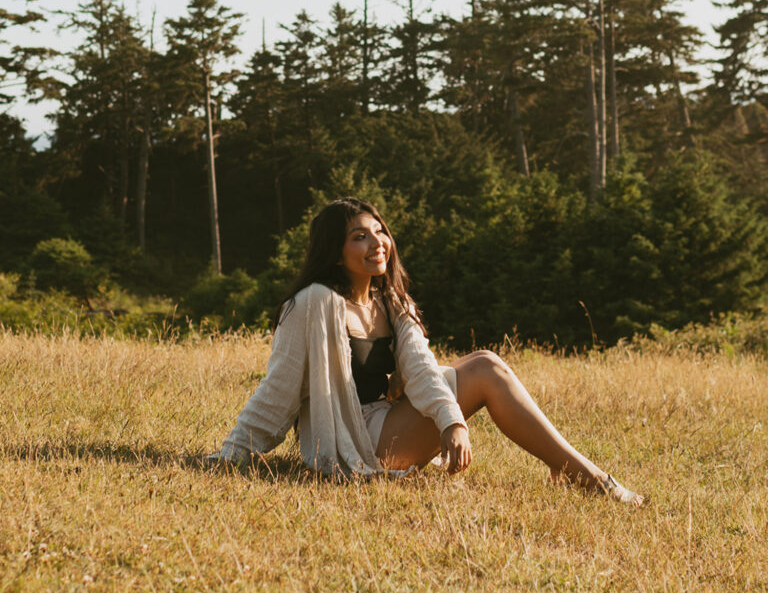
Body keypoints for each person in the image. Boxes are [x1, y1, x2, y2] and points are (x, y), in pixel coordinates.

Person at [214, 197, 644, 505]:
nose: (377, 242)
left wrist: (450, 421)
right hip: (356, 443)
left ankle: (572, 471)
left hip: (384, 424)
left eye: (379, 231)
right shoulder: (313, 304)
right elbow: (279, 388)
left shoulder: (391, 301)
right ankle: (586, 477)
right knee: (486, 369)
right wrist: (231, 454)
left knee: (485, 363)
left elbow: (419, 367)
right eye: (359, 237)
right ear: (335, 251)